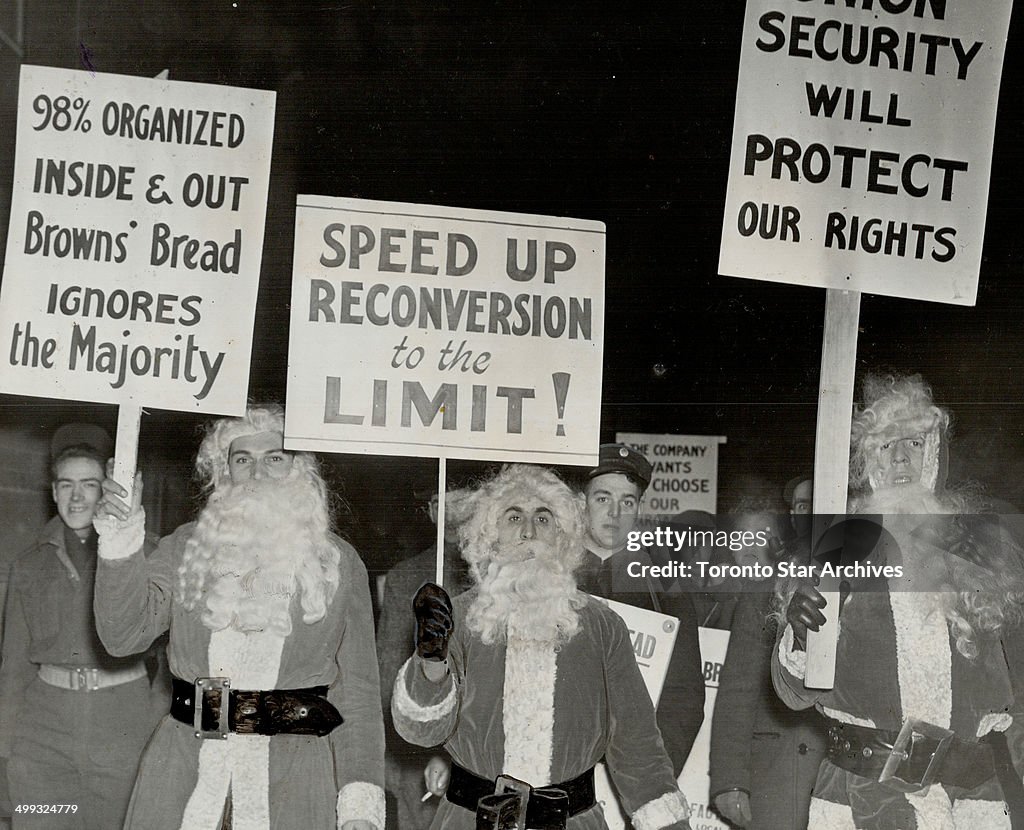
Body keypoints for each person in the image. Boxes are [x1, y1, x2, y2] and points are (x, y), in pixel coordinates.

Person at [92, 404, 385, 830]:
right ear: (224, 471)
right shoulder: (187, 547)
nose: (257, 473)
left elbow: (357, 695)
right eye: (242, 459)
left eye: (275, 459)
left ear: (298, 472)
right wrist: (120, 541)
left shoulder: (337, 561)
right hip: (183, 773)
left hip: (293, 779)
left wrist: (358, 805)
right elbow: (123, 635)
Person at [772, 374, 1024, 828]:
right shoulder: (838, 548)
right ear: (867, 461)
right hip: (863, 795)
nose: (901, 458)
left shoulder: (983, 550)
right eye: (885, 446)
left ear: (933, 455)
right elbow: (792, 695)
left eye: (913, 442)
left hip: (971, 800)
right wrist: (801, 634)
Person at [391, 463, 692, 830]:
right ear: (489, 534)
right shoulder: (458, 618)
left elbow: (638, 747)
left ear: (563, 537)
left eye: (543, 519)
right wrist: (431, 661)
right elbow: (420, 732)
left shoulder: (602, 626)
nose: (529, 532)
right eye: (514, 517)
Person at [0, 424, 167, 830]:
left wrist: (157, 730)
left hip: (123, 725)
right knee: (42, 821)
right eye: (66, 484)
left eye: (89, 484)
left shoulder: (145, 554)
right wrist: (6, 752)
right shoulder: (28, 565)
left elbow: (171, 660)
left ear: (106, 491)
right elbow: (14, 669)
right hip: (44, 736)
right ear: (53, 491)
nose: (76, 497)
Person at [575, 444, 705, 777]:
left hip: (633, 775)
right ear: (580, 503)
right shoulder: (547, 579)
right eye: (602, 498)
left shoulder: (667, 592)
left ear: (639, 507)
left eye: (627, 502)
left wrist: (652, 777)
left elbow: (684, 700)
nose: (615, 514)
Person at [710, 488, 827, 830]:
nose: (750, 550)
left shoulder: (846, 583)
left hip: (829, 771)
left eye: (761, 538)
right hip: (775, 771)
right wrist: (730, 780)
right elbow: (737, 692)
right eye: (742, 540)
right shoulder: (760, 597)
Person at [376, 482, 473, 830]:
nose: (452, 512)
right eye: (440, 503)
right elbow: (387, 670)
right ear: (430, 512)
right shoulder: (406, 576)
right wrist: (388, 758)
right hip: (414, 754)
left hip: (474, 753)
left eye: (461, 501)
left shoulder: (490, 577)